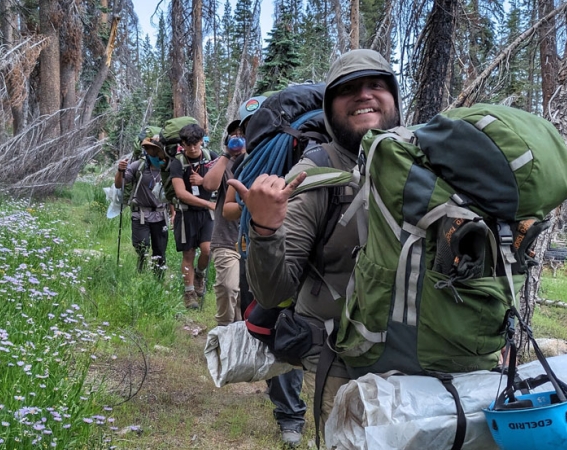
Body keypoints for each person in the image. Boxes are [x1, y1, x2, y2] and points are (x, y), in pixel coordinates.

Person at [228, 49, 403, 431]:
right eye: (348, 90)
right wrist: (265, 229)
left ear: (394, 96)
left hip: (418, 356)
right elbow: (274, 292)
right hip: (343, 360)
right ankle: (288, 415)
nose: (364, 95)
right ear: (330, 108)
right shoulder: (315, 172)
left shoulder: (422, 159)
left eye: (375, 84)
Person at [218, 96, 308, 448]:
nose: (247, 134)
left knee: (286, 329)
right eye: (244, 128)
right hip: (252, 252)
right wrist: (253, 211)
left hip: (288, 254)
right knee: (264, 326)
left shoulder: (304, 156)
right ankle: (281, 395)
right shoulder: (243, 167)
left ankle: (290, 416)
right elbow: (227, 207)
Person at [168, 123, 218, 309]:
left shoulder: (211, 157)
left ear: (201, 141)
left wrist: (203, 181)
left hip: (206, 215)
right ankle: (189, 293)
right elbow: (180, 193)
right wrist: (208, 203)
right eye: (188, 144)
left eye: (196, 143)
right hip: (186, 214)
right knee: (188, 254)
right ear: (183, 144)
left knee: (207, 250)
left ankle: (200, 274)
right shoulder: (177, 163)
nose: (193, 147)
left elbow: (222, 180)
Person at [114, 135, 173, 278]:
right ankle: (140, 269)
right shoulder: (138, 166)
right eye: (150, 149)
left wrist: (173, 213)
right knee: (142, 245)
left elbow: (172, 192)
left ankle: (158, 278)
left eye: (156, 150)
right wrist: (120, 170)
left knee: (160, 250)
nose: (153, 153)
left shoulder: (169, 168)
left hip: (160, 214)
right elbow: (118, 184)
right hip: (140, 214)